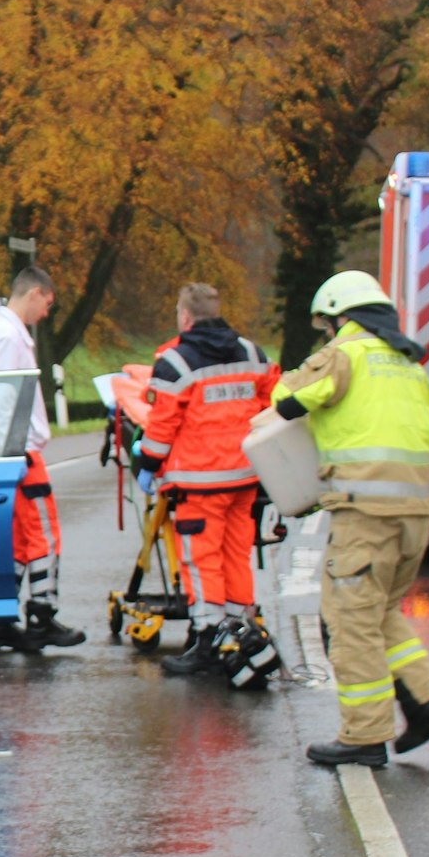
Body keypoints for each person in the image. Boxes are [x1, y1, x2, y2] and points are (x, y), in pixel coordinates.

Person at [255, 270, 429, 767]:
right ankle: (426, 700)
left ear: (342, 316)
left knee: (349, 622)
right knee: (381, 611)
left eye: (329, 323)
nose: (328, 332)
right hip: (416, 513)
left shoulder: (345, 355)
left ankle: (364, 736)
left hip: (367, 514)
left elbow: (288, 399)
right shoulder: (410, 366)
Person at [133, 283, 279, 676]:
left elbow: (161, 428)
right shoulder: (253, 354)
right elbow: (269, 407)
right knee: (236, 555)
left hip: (200, 483)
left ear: (185, 317)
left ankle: (207, 636)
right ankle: (240, 630)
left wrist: (146, 463)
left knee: (201, 561)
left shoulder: (175, 363)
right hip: (246, 477)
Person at [0, 266, 86, 653]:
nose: (47, 313)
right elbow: (2, 400)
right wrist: (16, 452)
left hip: (3, 449)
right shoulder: (8, 338)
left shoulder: (0, 333)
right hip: (16, 450)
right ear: (35, 293)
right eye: (48, 303)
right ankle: (42, 615)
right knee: (45, 536)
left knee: (19, 543)